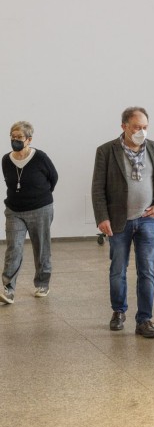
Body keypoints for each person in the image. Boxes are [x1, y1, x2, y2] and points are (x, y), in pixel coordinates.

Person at [91, 107, 154, 338]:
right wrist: (101, 217)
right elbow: (98, 187)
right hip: (118, 220)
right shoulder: (106, 151)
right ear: (124, 126)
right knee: (118, 269)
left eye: (145, 127)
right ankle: (118, 311)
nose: (141, 132)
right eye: (136, 127)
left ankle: (145, 319)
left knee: (147, 270)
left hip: (147, 220)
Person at [0, 121, 58, 304]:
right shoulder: (6, 159)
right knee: (13, 248)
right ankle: (8, 289)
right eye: (13, 137)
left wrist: (41, 195)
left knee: (41, 247)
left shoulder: (40, 157)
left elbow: (53, 177)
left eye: (19, 137)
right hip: (14, 210)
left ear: (29, 139)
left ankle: (42, 284)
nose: (15, 140)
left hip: (40, 208)